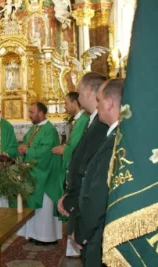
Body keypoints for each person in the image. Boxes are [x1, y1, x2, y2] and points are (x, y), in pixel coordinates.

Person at [73, 79, 123, 266]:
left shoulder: (115, 140)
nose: (97, 104)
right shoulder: (116, 135)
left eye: (100, 100)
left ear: (109, 103)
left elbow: (99, 192)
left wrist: (83, 231)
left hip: (100, 231)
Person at [57, 72, 108, 252]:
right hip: (80, 199)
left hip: (88, 206)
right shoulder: (92, 121)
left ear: (87, 91)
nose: (77, 97)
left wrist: (73, 199)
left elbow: (89, 170)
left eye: (78, 92)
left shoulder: (102, 124)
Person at [17, 102, 62, 245]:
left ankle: (46, 237)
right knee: (33, 205)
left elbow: (46, 152)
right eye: (29, 111)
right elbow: (26, 143)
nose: (29, 115)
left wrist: (28, 151)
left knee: (45, 205)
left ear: (41, 113)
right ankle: (34, 234)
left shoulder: (49, 130)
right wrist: (22, 149)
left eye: (32, 112)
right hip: (33, 173)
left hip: (45, 174)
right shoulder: (33, 129)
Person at [52, 91, 89, 256]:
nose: (65, 106)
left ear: (76, 103)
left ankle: (75, 245)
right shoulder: (79, 120)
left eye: (66, 103)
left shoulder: (83, 121)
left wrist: (64, 150)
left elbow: (76, 146)